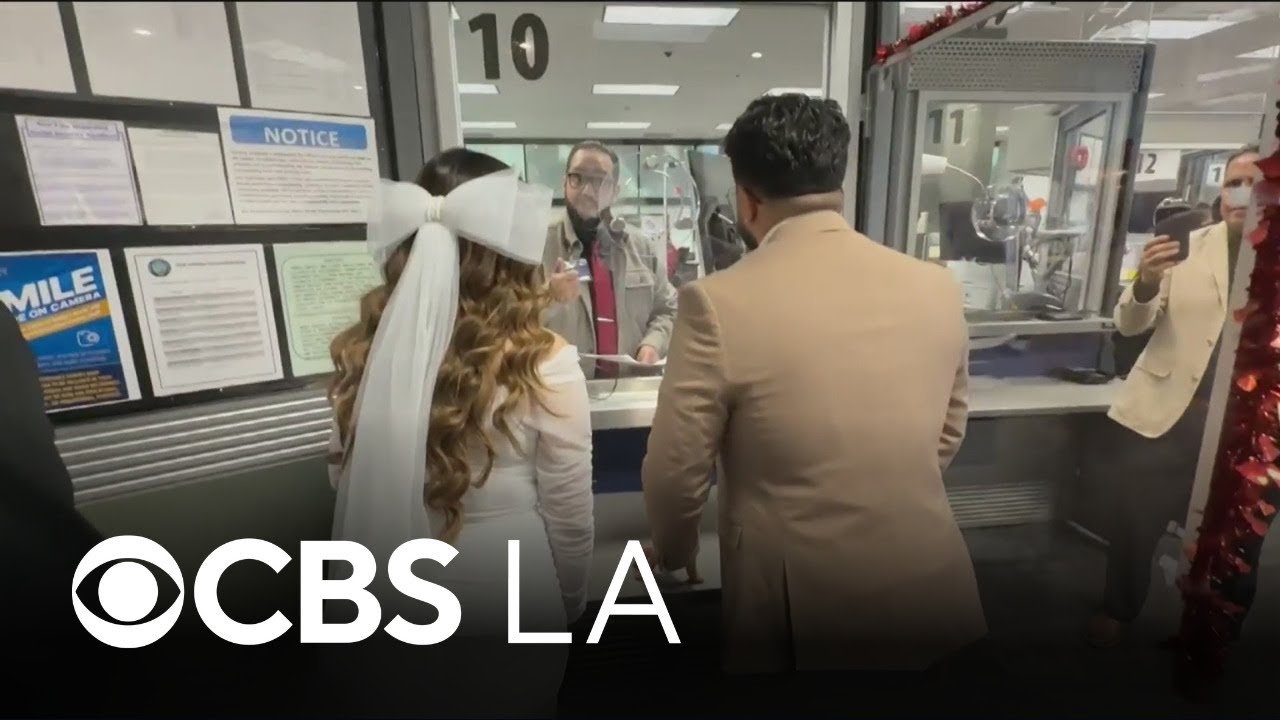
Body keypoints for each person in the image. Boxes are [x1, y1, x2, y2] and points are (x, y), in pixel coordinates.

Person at [639, 94, 987, 698]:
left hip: (801, 611)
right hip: (932, 584)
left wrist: (673, 547)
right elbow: (950, 426)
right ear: (838, 182)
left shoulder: (718, 302)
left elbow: (677, 470)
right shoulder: (935, 287)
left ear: (746, 199)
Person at [324, 148, 594, 717]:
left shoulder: (368, 352)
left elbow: (342, 475)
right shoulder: (547, 362)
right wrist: (568, 604)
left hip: (390, 591)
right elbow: (569, 513)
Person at [1088, 144, 1264, 647]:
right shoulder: (1185, 243)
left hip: (1245, 430)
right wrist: (1144, 283)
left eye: (1255, 183)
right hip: (1168, 416)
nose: (1241, 194)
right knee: (1133, 524)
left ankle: (1214, 629)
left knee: (1236, 540)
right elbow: (1130, 323)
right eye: (1234, 182)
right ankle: (1118, 609)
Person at [543, 141, 678, 378]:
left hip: (629, 390)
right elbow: (506, 323)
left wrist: (653, 344)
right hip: (561, 393)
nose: (586, 190)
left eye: (599, 180)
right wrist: (548, 298)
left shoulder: (640, 248)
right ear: (564, 183)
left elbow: (667, 309)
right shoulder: (537, 247)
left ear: (615, 191)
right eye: (578, 178)